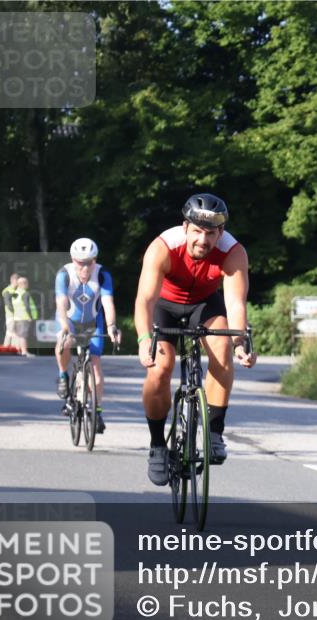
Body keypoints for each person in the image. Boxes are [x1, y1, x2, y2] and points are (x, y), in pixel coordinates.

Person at [134, 193, 257, 486]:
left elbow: (236, 303)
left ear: (221, 233)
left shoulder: (233, 252)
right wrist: (142, 339)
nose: (203, 240)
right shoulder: (163, 247)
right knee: (160, 368)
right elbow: (145, 300)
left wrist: (241, 343)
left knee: (222, 348)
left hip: (204, 303)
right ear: (185, 227)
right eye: (197, 232)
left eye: (211, 233)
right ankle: (157, 446)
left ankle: (214, 431)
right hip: (164, 305)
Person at [55, 238, 122, 434]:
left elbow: (108, 303)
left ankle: (97, 411)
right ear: (73, 260)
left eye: (89, 262)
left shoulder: (102, 274)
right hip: (69, 319)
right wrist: (65, 326)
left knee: (96, 367)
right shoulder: (64, 274)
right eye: (80, 262)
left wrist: (111, 327)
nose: (85, 268)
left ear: (95, 260)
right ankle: (62, 375)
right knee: (63, 342)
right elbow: (61, 302)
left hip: (94, 322)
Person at [11, 276, 38, 357]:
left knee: (19, 335)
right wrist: (30, 316)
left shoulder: (15, 293)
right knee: (23, 336)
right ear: (22, 284)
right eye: (26, 283)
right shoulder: (25, 293)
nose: (28, 284)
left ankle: (19, 350)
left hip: (17, 317)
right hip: (24, 317)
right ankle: (24, 351)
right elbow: (27, 306)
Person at [1, 273, 19, 348]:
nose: (18, 283)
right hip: (11, 314)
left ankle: (15, 349)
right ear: (13, 280)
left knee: (16, 333)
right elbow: (8, 304)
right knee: (10, 331)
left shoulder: (17, 290)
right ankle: (5, 348)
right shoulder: (7, 290)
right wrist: (14, 312)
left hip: (17, 315)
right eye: (17, 281)